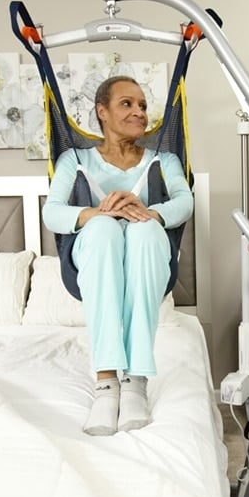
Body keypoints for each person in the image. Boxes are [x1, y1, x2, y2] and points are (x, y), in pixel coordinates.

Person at [42, 75, 194, 436]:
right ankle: (107, 381)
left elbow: (184, 202)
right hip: (93, 254)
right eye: (127, 103)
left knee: (143, 230)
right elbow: (52, 212)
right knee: (103, 229)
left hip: (149, 255)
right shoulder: (75, 159)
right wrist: (99, 213)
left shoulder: (164, 160)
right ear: (102, 112)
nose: (139, 112)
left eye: (142, 105)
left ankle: (136, 380)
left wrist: (146, 211)